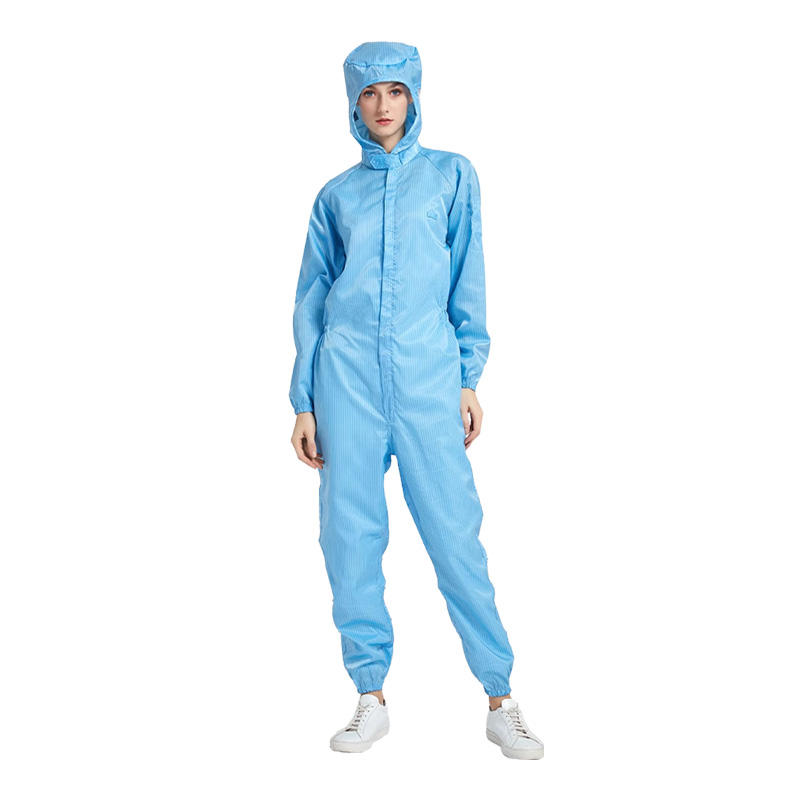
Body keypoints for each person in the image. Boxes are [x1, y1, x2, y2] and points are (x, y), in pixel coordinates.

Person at [289, 41, 544, 760]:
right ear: (353, 103)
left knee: (455, 535)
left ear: (415, 96)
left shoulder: (452, 176)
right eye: (369, 94)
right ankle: (369, 696)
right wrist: (304, 400)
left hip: (428, 377)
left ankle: (500, 698)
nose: (383, 105)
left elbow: (469, 279)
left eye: (395, 91)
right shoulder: (335, 196)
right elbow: (312, 298)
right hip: (344, 381)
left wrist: (468, 377)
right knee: (350, 537)